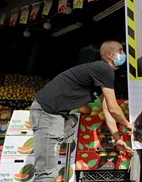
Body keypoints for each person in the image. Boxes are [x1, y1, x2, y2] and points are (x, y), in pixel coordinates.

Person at [29, 40, 134, 182]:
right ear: (109, 54)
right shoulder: (104, 69)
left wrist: (117, 139)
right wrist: (127, 124)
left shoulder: (101, 73)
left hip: (55, 115)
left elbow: (108, 111)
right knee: (47, 173)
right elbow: (114, 108)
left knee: (50, 166)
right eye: (121, 50)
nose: (124, 54)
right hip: (48, 113)